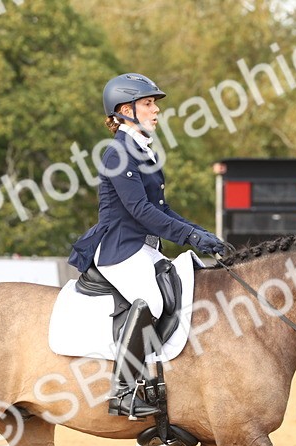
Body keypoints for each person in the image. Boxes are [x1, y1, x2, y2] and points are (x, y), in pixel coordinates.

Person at [68, 73, 226, 419]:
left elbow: (163, 209)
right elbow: (139, 210)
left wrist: (202, 235)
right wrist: (190, 237)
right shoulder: (117, 153)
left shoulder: (143, 150)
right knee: (152, 299)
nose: (156, 110)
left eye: (154, 103)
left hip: (144, 247)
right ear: (126, 110)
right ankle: (123, 390)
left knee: (189, 282)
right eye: (148, 103)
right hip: (120, 248)